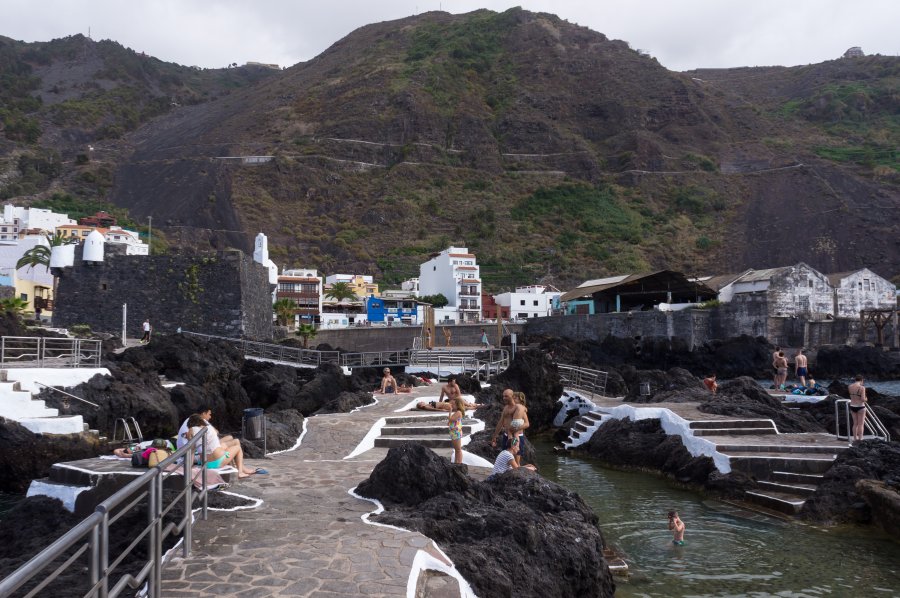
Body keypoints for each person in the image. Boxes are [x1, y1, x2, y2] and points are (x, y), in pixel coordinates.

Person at [176, 407, 263, 476]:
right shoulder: (202, 427)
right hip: (216, 461)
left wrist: (189, 467)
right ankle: (240, 472)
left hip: (206, 463)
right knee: (237, 448)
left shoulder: (195, 431)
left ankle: (239, 468)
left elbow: (192, 450)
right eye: (209, 414)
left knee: (232, 442)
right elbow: (215, 434)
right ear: (202, 415)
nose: (210, 417)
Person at [508, 391, 530, 465]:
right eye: (513, 398)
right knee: (516, 434)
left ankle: (511, 442)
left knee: (510, 432)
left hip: (517, 428)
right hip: (517, 426)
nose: (513, 399)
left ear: (520, 399)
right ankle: (515, 444)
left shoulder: (518, 407)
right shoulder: (521, 407)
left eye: (515, 398)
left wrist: (516, 429)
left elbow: (527, 424)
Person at [848, 374, 868, 442]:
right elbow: (862, 399)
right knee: (861, 424)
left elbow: (852, 396)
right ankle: (860, 439)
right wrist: (866, 399)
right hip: (860, 407)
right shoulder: (862, 388)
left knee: (855, 423)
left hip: (852, 406)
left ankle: (855, 438)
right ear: (862, 380)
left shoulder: (850, 386)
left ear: (855, 380)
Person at [448, 396, 465, 464]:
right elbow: (450, 421)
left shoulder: (458, 412)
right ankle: (456, 462)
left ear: (458, 405)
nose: (452, 405)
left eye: (453, 404)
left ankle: (459, 462)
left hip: (456, 432)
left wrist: (450, 411)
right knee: (456, 449)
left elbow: (451, 419)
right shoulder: (457, 412)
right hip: (453, 432)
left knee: (458, 449)